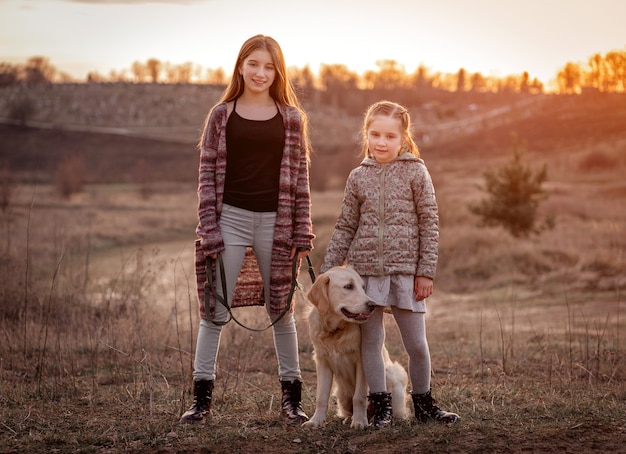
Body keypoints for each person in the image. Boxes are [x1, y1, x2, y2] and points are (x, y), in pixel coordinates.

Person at [180, 34, 315, 424]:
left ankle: (292, 401)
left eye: (269, 67)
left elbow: (301, 178)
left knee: (281, 311)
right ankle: (201, 401)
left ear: (278, 72)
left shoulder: (291, 118)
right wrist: (209, 227)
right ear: (241, 66)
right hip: (230, 220)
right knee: (214, 310)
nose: (260, 72)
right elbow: (206, 174)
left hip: (278, 222)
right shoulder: (221, 115)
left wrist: (302, 231)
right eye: (254, 64)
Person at [320, 100, 460, 428]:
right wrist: (329, 269)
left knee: (417, 345)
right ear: (365, 134)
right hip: (367, 276)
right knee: (371, 342)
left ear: (403, 138)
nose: (381, 142)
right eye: (374, 134)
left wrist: (425, 272)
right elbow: (345, 226)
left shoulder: (416, 171)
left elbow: (429, 221)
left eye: (390, 136)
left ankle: (425, 405)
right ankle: (380, 406)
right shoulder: (358, 176)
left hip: (407, 274)